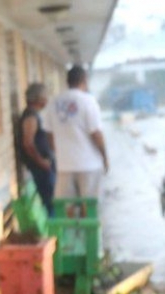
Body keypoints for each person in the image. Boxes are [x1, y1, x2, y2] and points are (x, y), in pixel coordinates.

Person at [45, 65, 108, 200]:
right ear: (84, 80)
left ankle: (72, 221)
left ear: (67, 81)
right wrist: (105, 157)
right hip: (89, 165)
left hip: (64, 166)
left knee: (67, 209)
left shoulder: (53, 103)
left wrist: (60, 153)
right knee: (89, 208)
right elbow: (96, 133)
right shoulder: (88, 101)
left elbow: (49, 135)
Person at [13, 83, 55, 216]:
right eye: (45, 97)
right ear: (39, 99)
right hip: (40, 169)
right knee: (49, 204)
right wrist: (42, 162)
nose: (47, 100)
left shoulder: (35, 114)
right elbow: (28, 144)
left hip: (43, 168)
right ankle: (53, 233)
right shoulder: (31, 116)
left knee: (51, 201)